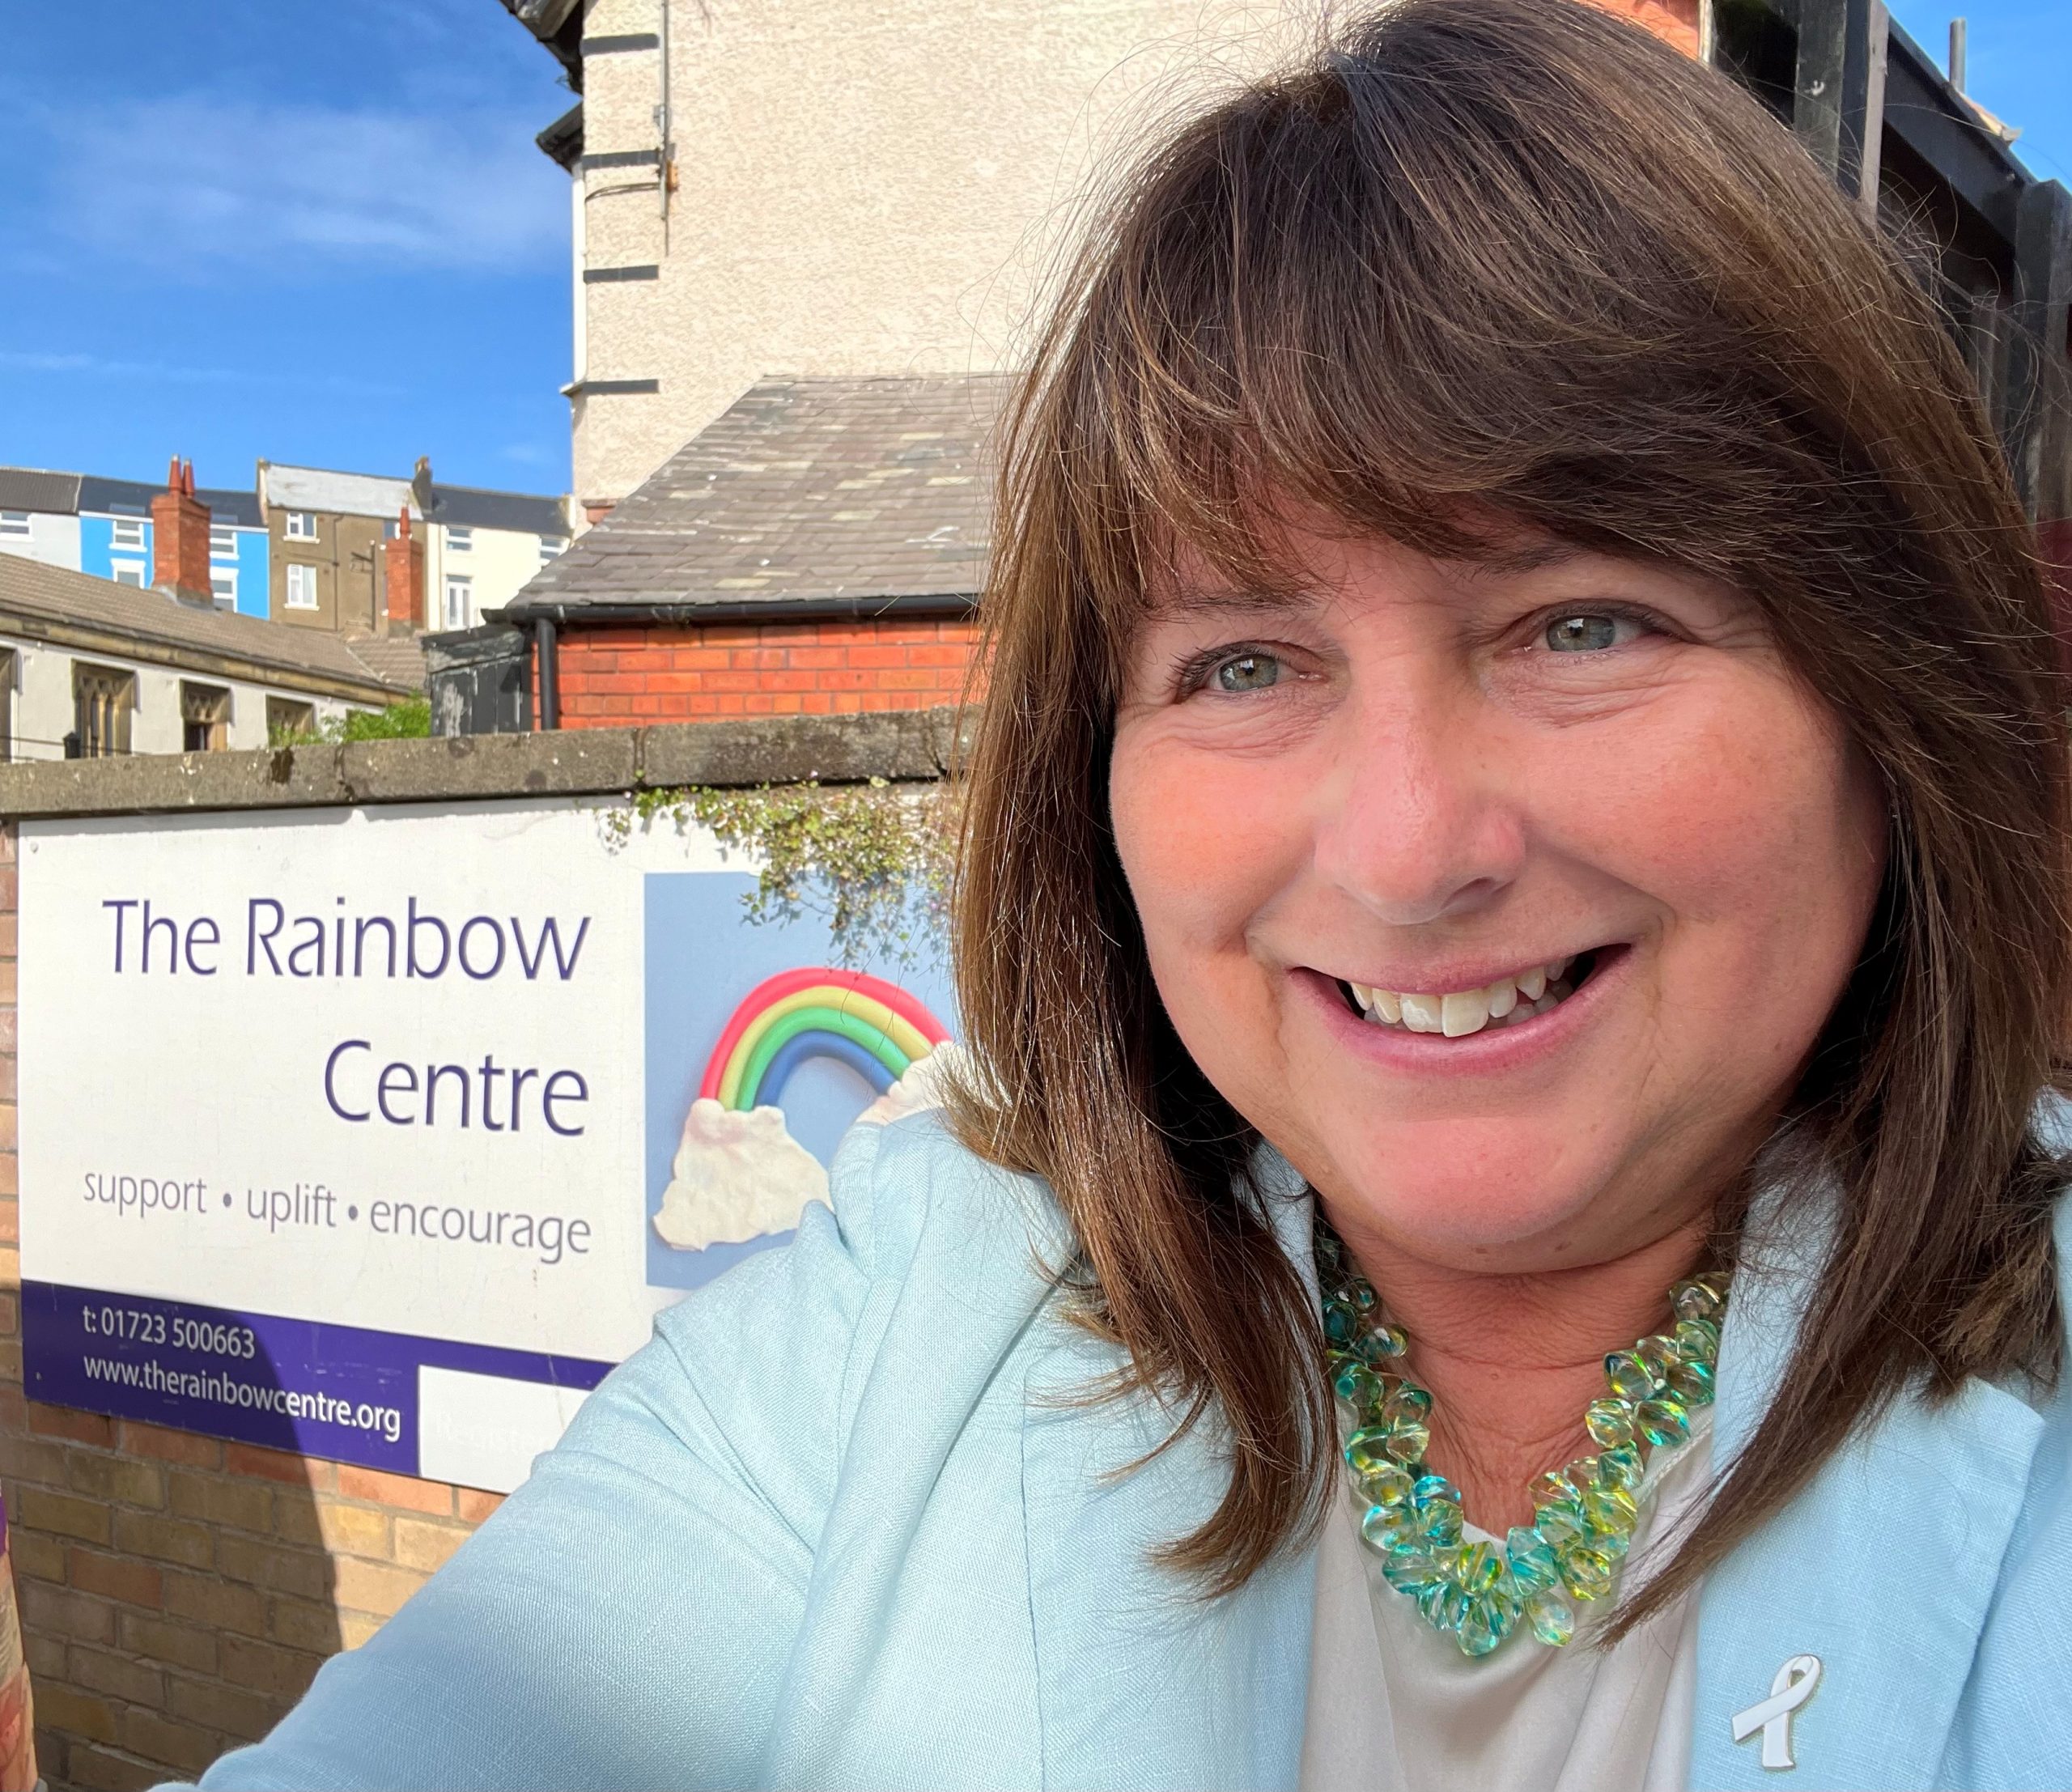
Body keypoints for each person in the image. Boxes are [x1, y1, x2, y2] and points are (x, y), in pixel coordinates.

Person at [186, 2, 2071, 1787]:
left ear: (1882, 695)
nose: (1406, 852)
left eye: (1584, 621)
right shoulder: (924, 1294)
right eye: (1240, 664)